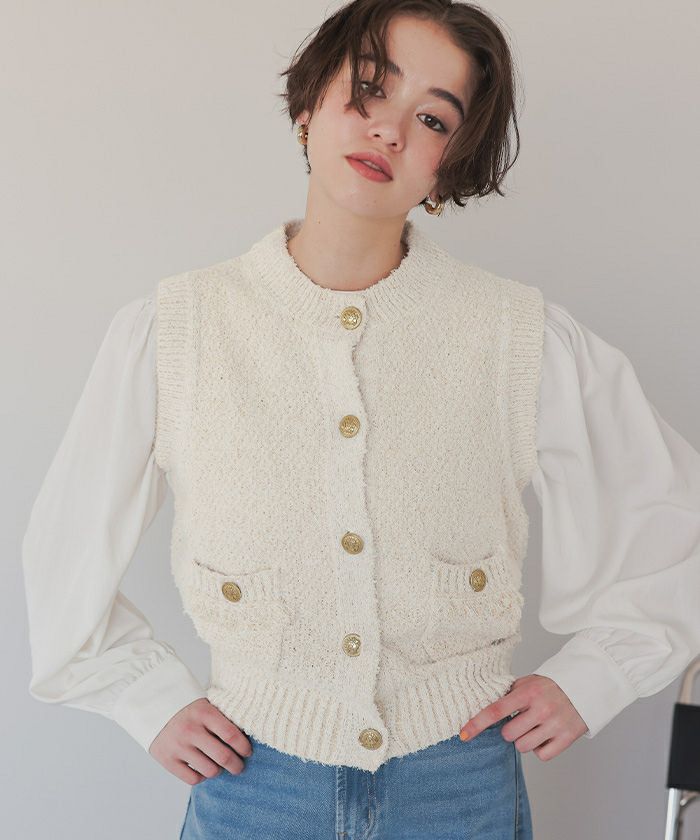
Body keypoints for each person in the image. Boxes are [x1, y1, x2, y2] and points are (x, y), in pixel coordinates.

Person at [21, 1, 700, 838]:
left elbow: (671, 526)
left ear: (450, 164)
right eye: (369, 90)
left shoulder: (518, 337)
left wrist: (593, 679)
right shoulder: (177, 330)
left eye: (432, 119)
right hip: (253, 781)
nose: (388, 130)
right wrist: (144, 698)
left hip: (459, 785)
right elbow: (64, 548)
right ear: (308, 104)